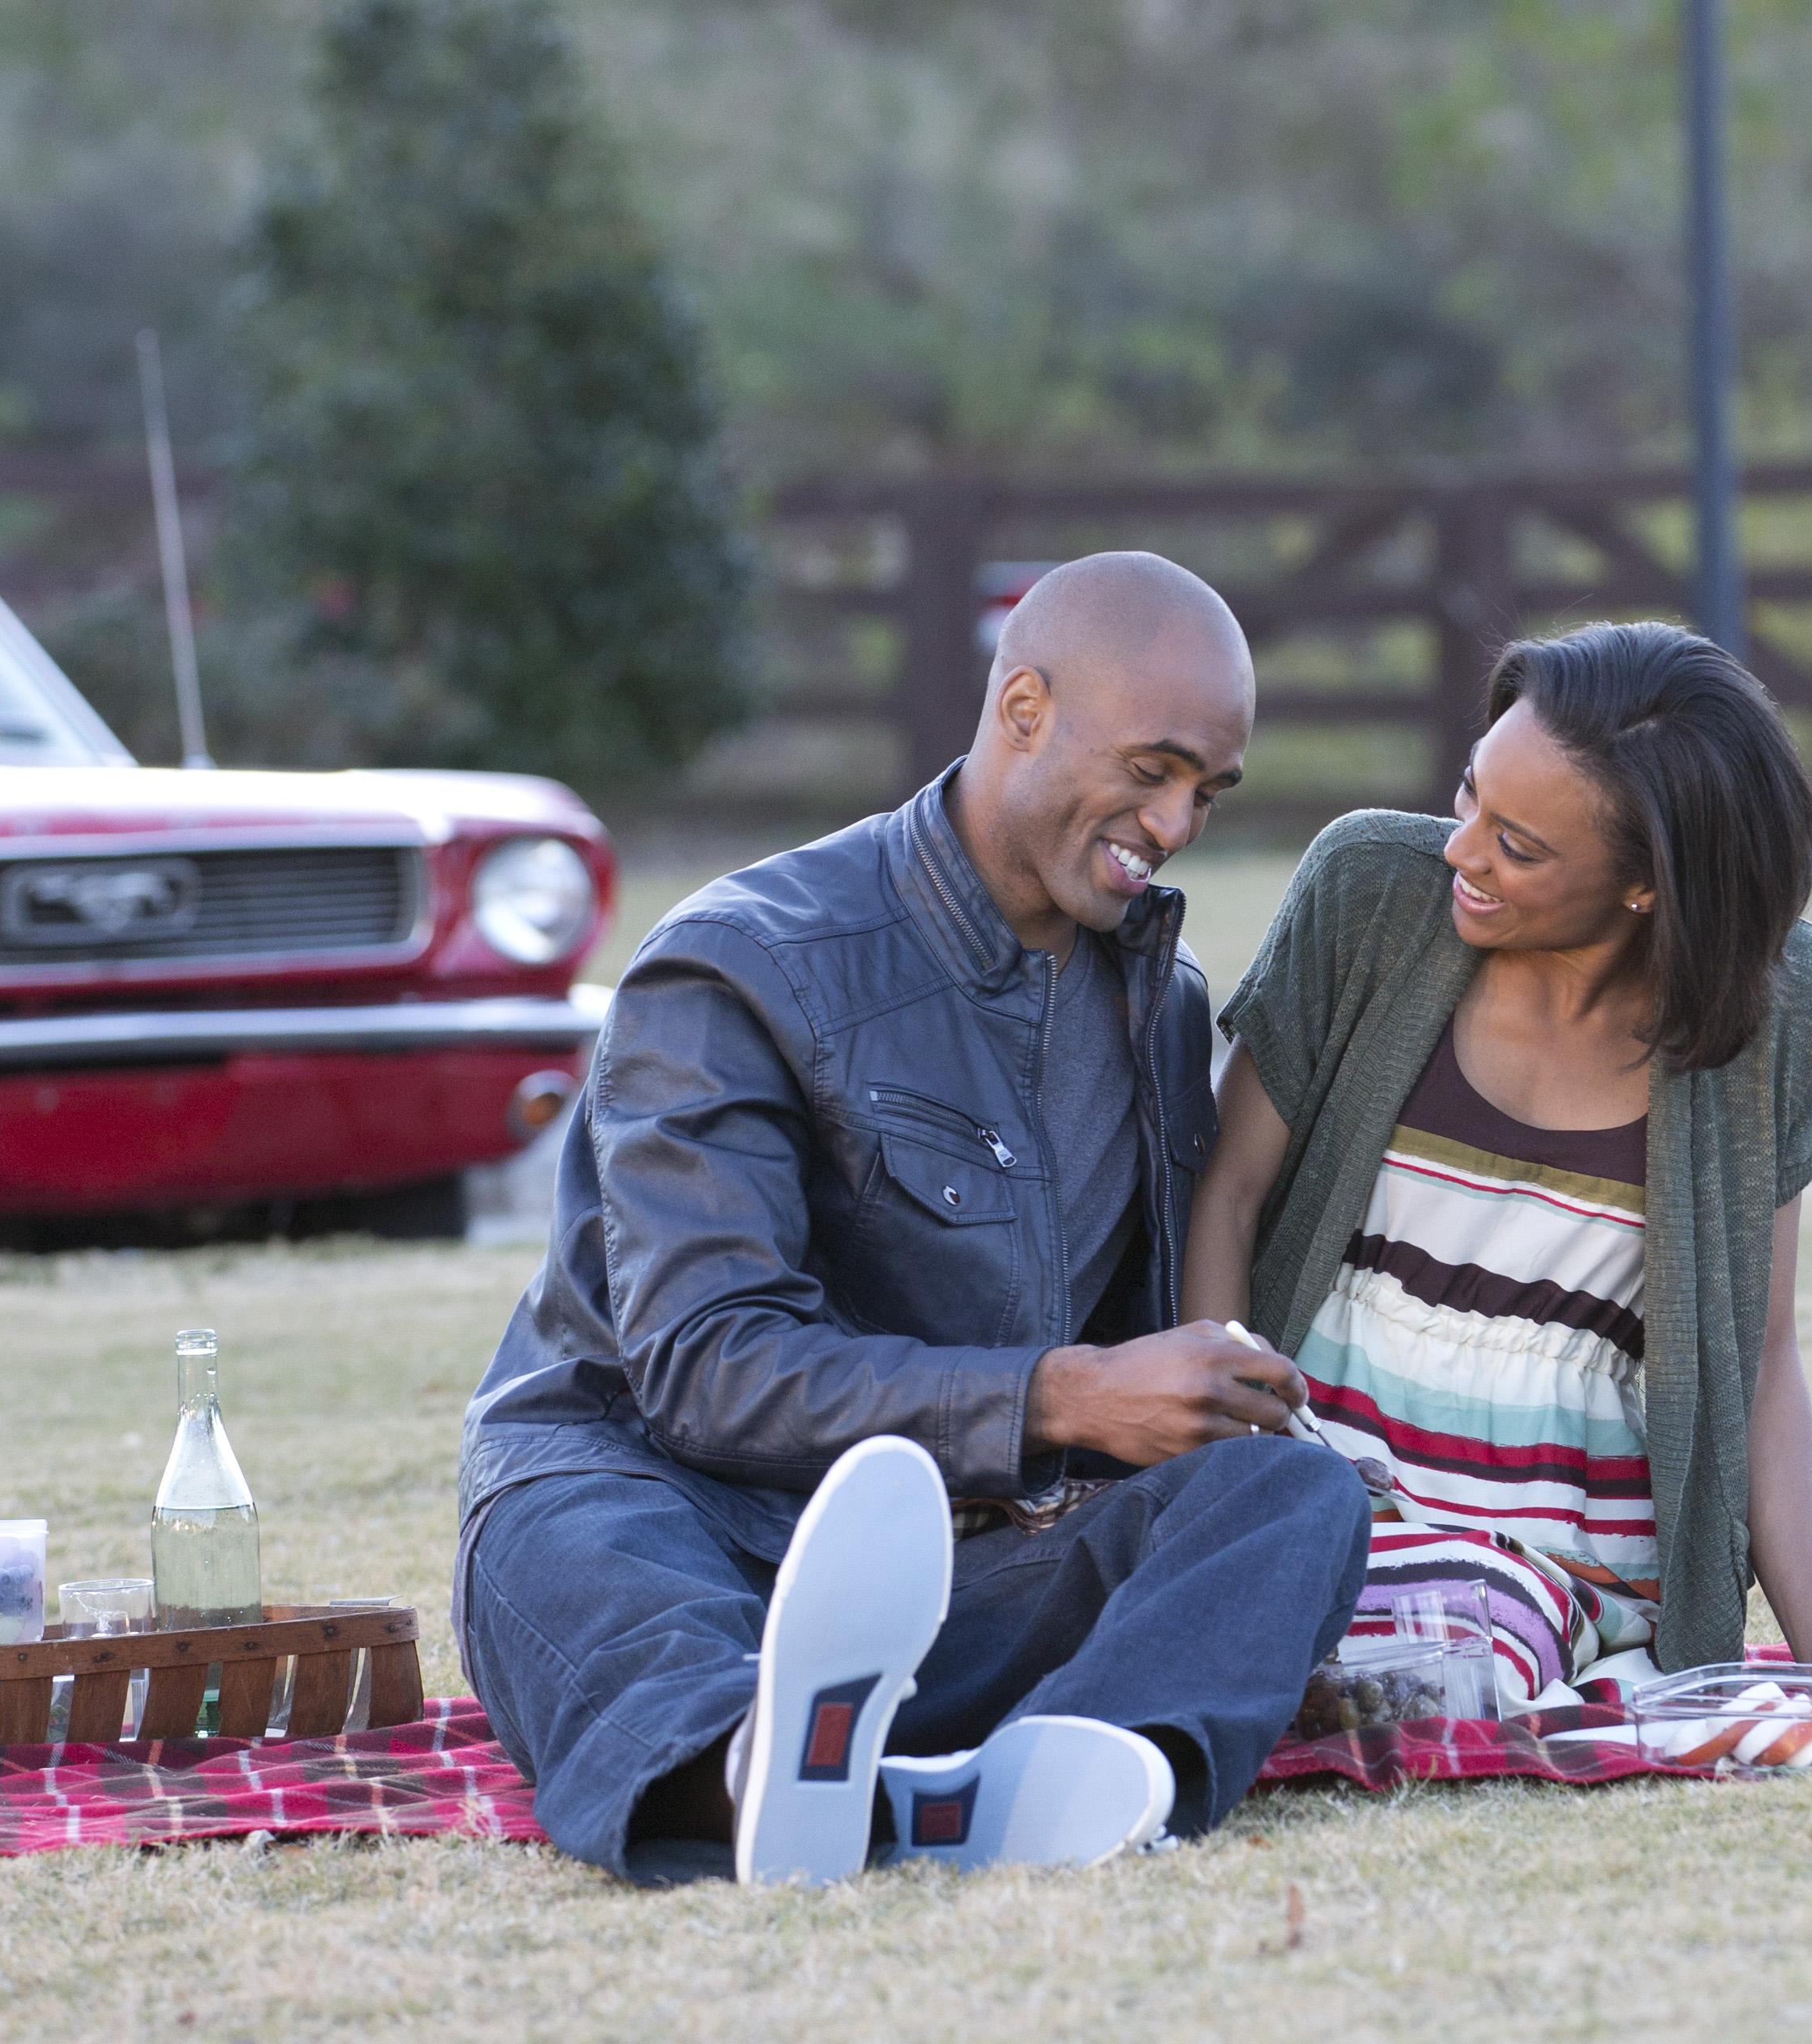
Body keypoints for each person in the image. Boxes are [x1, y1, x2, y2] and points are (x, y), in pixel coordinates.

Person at [456, 551, 1371, 1887]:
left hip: (960, 1578)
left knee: (1290, 1499)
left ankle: (1080, 1767)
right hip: (674, 1512)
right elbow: (707, 1369)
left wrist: (1189, 1413)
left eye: (1207, 793)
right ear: (1022, 709)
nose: (1174, 825)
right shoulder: (736, 963)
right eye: (1151, 769)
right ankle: (762, 1775)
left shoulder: (1160, 1004)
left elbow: (1129, 1385)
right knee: (576, 1543)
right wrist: (1062, 1398)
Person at [1184, 620, 1812, 1706]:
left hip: (1564, 1569)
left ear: (1650, 886)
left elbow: (1762, 1358)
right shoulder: (1369, 895)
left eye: (1521, 847)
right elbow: (1228, 1190)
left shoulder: (1778, 1011)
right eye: (1469, 798)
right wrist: (1222, 1478)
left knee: (1461, 1648)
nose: (1463, 850)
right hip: (1316, 1489)